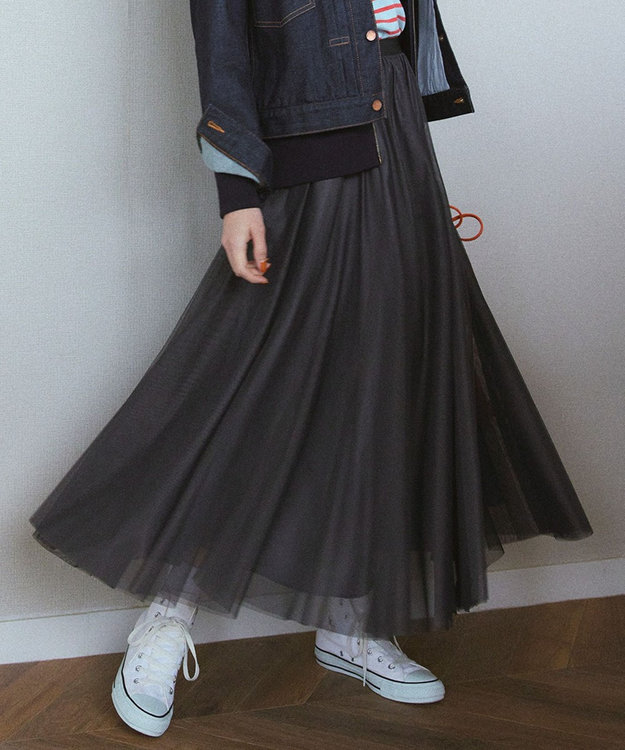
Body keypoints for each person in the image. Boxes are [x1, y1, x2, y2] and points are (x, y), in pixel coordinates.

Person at [28, 0, 594, 738]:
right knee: (255, 388)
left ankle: (351, 620)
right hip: (313, 151)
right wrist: (237, 195)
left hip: (399, 139)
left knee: (385, 384)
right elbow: (224, 51)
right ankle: (166, 616)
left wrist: (406, 145)